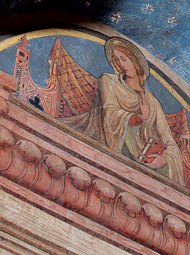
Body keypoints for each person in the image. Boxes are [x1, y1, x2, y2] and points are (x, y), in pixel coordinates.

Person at [76, 37, 184, 185]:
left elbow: (170, 142)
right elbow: (109, 112)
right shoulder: (109, 81)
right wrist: (140, 118)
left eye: (123, 59)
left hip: (146, 161)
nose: (120, 64)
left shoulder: (153, 103)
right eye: (116, 60)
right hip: (118, 151)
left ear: (135, 61)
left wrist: (164, 160)